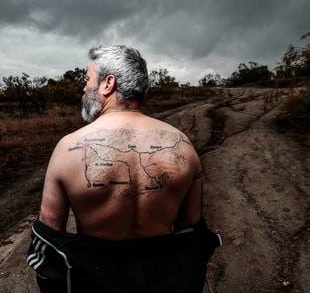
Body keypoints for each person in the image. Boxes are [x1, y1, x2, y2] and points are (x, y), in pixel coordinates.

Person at [27, 45, 221, 293]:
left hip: (95, 283)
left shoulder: (67, 148)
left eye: (88, 79)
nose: (85, 87)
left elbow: (49, 240)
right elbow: (191, 235)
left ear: (108, 84)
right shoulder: (183, 145)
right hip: (162, 282)